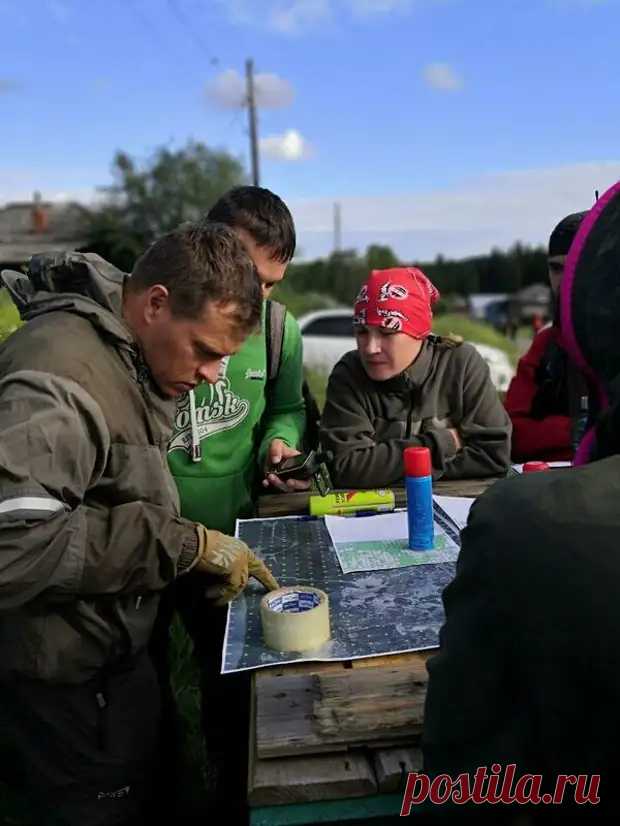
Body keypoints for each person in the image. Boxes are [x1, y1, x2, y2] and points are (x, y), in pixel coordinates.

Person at [0, 223, 277, 826]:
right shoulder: (63, 371)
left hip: (118, 664)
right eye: (205, 351)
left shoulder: (124, 350)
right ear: (155, 303)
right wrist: (181, 544)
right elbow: (13, 548)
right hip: (65, 688)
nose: (211, 375)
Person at [422, 187, 620, 822]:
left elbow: (463, 768)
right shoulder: (542, 348)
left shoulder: (524, 523)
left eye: (574, 280)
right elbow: (513, 430)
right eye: (554, 278)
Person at [158, 186, 308, 819]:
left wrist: (279, 444)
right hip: (144, 534)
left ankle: (226, 793)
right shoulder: (158, 319)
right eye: (251, 275)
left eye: (274, 283)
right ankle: (159, 784)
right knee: (133, 683)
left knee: (230, 688)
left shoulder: (278, 331)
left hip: (231, 544)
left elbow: (289, 409)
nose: (261, 296)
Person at [320, 267, 511, 487]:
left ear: (419, 333)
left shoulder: (460, 364)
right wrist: (444, 443)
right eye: (362, 332)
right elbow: (347, 468)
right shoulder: (350, 374)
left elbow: (493, 455)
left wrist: (384, 469)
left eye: (387, 332)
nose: (371, 348)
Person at [505, 211, 588, 463]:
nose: (565, 280)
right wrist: (576, 431)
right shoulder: (546, 346)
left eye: (578, 264)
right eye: (556, 268)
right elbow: (509, 433)